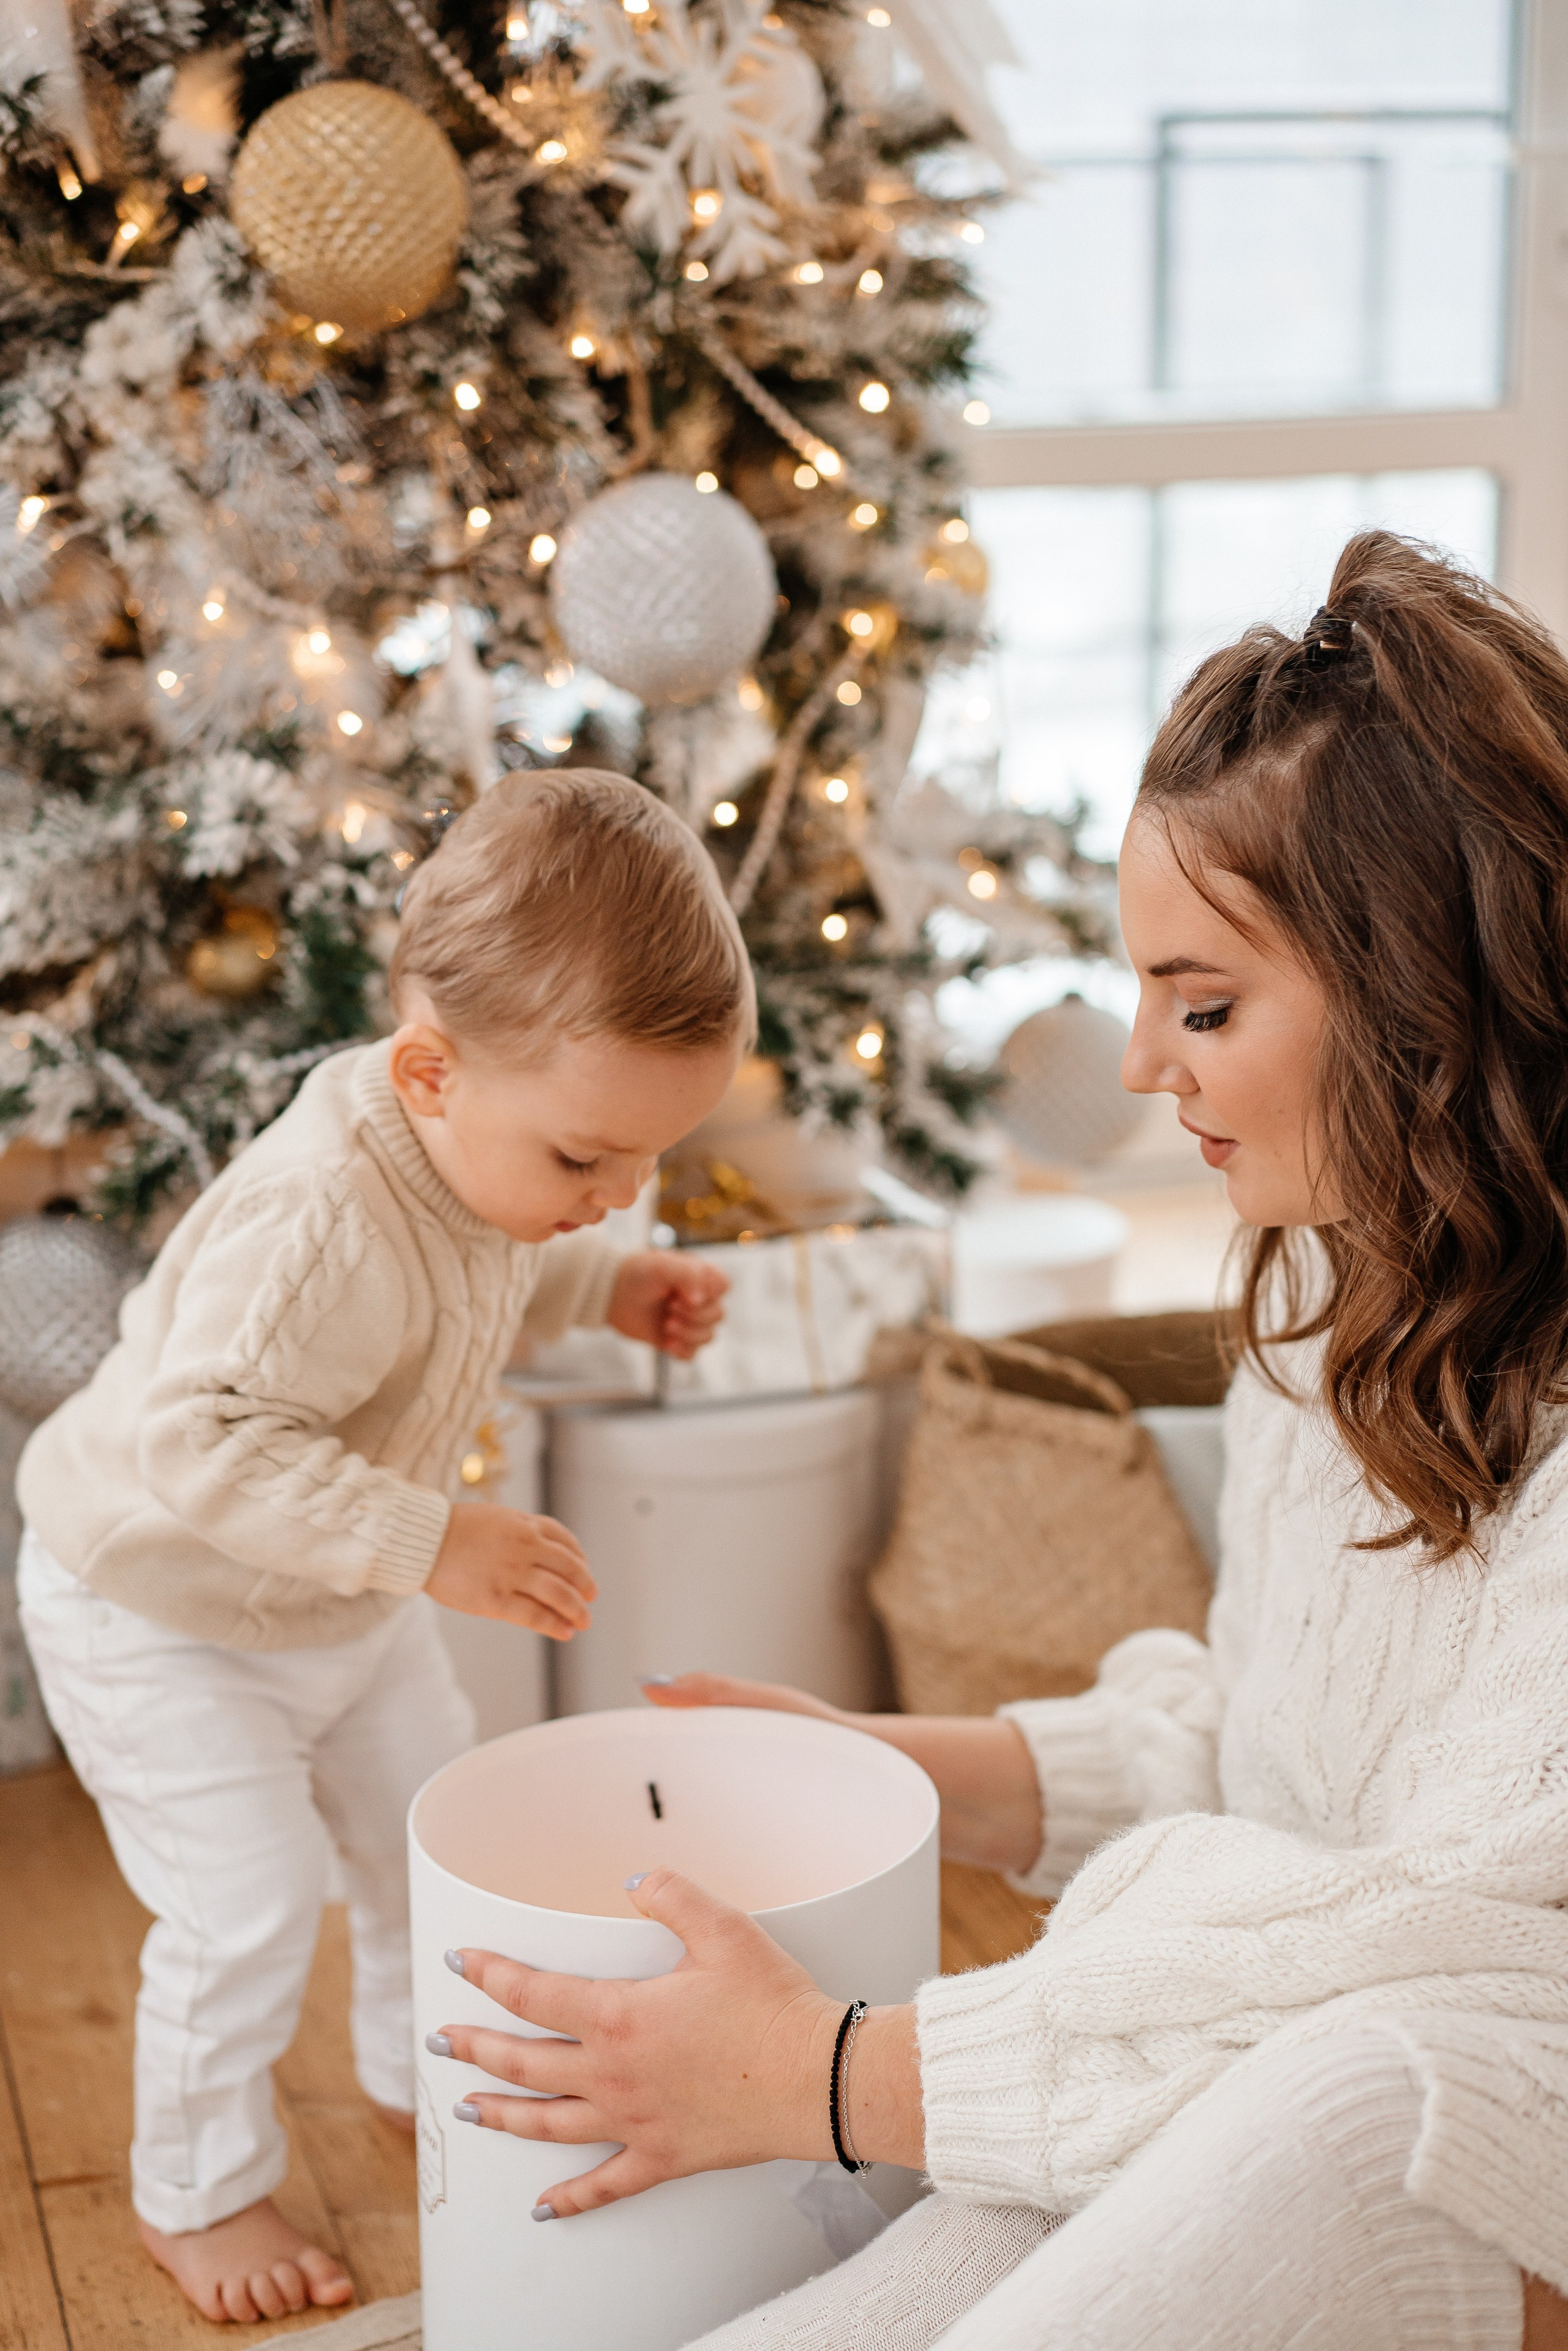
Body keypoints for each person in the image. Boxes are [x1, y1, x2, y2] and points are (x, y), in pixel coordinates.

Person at [426, 538, 1568, 2351]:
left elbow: (1470, 1938)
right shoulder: (1327, 1305)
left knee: (1353, 2082)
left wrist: (841, 2075)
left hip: (1481, 2119)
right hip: (1314, 2033)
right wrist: (891, 1768)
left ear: (1427, 996)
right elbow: (1269, 1759)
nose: (1138, 1065)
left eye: (1203, 1005)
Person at [15, 771, 747, 2326]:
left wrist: (605, 1278)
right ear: (424, 1072)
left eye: (639, 1164)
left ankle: (415, 2061)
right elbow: (202, 1441)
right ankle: (198, 2187)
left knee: (434, 1829)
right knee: (250, 1899)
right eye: (585, 1164)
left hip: (327, 1590)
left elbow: (489, 1259)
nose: (610, 1192)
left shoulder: (479, 1135)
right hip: (156, 1601)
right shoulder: (319, 1217)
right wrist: (434, 1538)